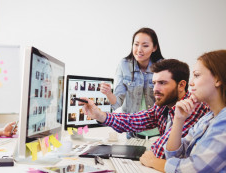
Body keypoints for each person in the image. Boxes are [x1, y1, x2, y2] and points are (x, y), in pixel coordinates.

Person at [80, 59, 210, 160]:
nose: (155, 89)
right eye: (154, 83)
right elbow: (135, 120)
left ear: (181, 85)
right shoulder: (163, 106)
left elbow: (161, 152)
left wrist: (149, 156)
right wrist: (100, 115)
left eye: (162, 83)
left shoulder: (193, 107)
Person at [163, 50, 226, 173]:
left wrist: (155, 163)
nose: (191, 83)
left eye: (197, 76)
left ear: (218, 79)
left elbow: (192, 171)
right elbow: (174, 155)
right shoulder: (208, 118)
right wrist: (179, 120)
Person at [100, 28, 164, 138]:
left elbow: (168, 102)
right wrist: (108, 94)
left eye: (145, 45)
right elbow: (117, 103)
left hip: (158, 133)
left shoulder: (162, 67)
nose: (139, 49)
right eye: (136, 44)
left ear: (154, 48)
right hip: (133, 133)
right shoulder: (124, 65)